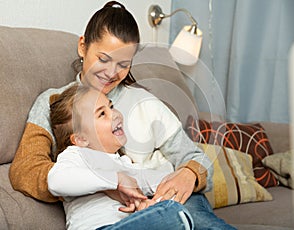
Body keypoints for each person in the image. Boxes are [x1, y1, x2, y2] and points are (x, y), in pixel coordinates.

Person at [9, 1, 235, 229]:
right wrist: (106, 183)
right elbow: (25, 170)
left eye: (123, 64)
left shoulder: (146, 103)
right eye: (103, 59)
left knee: (194, 219)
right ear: (82, 46)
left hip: (162, 198)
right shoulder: (55, 102)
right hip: (118, 214)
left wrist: (189, 174)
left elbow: (195, 157)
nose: (111, 73)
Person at [48, 83, 194, 229]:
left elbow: (163, 183)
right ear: (81, 139)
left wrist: (151, 205)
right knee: (174, 215)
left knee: (175, 209)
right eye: (102, 114)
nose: (114, 114)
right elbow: (56, 181)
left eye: (111, 107)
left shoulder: (126, 164)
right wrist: (116, 179)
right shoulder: (78, 155)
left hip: (127, 224)